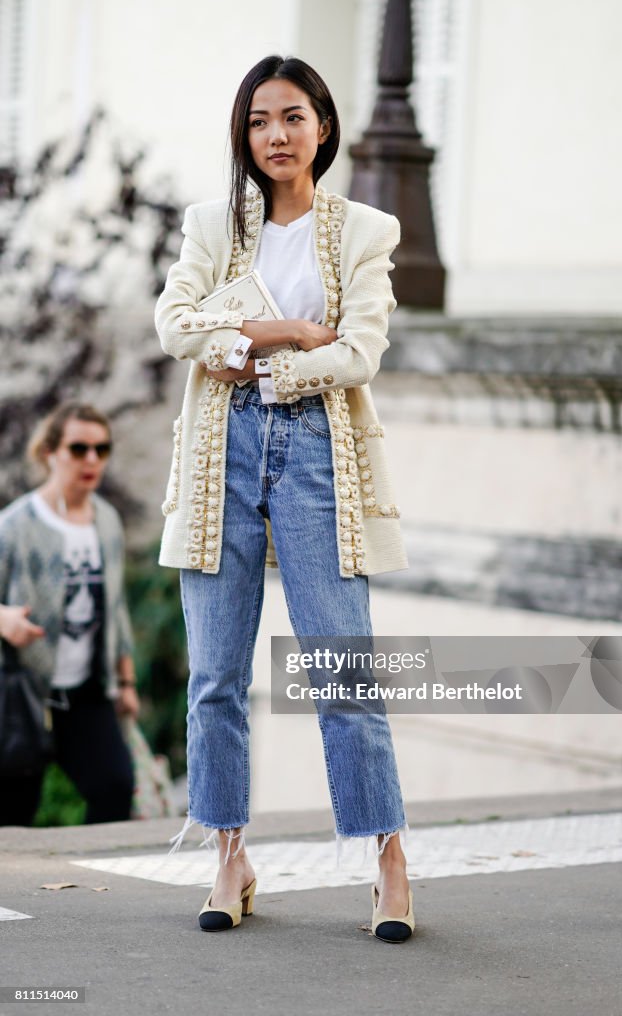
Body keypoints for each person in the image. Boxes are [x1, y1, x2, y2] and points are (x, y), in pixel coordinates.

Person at [156, 55, 415, 942]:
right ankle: (228, 856)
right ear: (245, 133)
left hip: (316, 455)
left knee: (341, 667)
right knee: (216, 677)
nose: (276, 135)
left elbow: (361, 354)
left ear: (324, 128)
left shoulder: (364, 231)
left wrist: (266, 363)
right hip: (215, 458)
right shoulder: (209, 223)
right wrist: (289, 329)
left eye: (292, 117)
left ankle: (387, 861)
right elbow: (171, 323)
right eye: (260, 120)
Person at [0, 402, 139, 827]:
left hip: (86, 691)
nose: (92, 460)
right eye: (79, 448)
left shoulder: (108, 521)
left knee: (115, 788)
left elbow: (116, 609)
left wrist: (126, 681)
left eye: (102, 449)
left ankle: (97, 888)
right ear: (50, 452)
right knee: (13, 813)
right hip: (23, 692)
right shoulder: (15, 524)